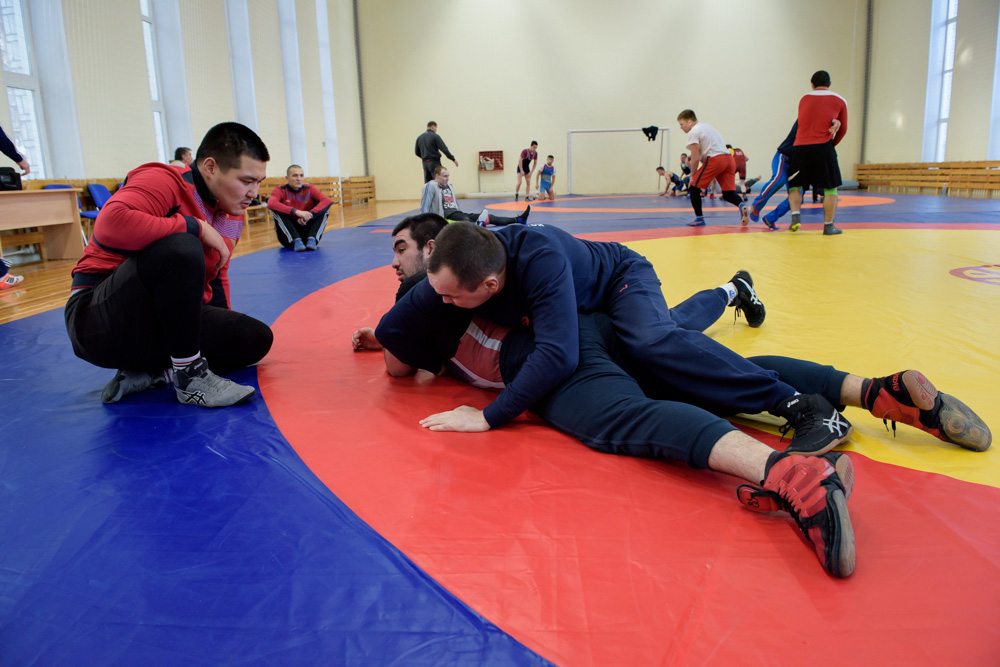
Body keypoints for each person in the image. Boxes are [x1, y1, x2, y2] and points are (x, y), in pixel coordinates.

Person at [374, 221, 861, 458]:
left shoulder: (537, 259)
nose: (444, 305)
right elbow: (394, 330)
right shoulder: (462, 268)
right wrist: (382, 338)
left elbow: (559, 356)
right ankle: (733, 289)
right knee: (674, 332)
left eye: (452, 299)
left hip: (619, 280)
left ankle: (798, 404)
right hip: (582, 306)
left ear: (490, 287)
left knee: (653, 340)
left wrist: (489, 416)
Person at [64, 122, 274, 408]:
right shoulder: (163, 180)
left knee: (254, 337)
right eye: (246, 181)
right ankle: (189, 378)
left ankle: (158, 373)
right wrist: (194, 226)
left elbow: (216, 274)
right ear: (210, 167)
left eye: (259, 182)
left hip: (156, 326)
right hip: (96, 320)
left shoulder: (229, 210)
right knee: (182, 245)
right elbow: (108, 225)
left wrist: (223, 332)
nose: (254, 192)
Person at [749, 119, 841, 231]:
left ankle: (770, 218)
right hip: (784, 157)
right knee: (779, 179)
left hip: (799, 163)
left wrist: (835, 122)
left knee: (797, 198)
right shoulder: (805, 119)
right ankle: (756, 206)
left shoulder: (820, 131)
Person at [786, 70, 848, 235]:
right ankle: (828, 226)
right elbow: (843, 130)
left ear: (812, 84)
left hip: (799, 146)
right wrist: (831, 145)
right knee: (830, 188)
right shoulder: (840, 100)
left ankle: (795, 216)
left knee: (795, 184)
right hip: (823, 145)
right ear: (830, 84)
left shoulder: (803, 99)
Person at [676, 110, 750, 227]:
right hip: (729, 160)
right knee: (728, 194)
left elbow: (695, 159)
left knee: (694, 188)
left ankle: (699, 218)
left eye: (681, 124)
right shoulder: (707, 126)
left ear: (689, 122)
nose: (680, 127)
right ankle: (742, 205)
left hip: (716, 159)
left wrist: (692, 176)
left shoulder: (693, 132)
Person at [421, 166, 529, 226]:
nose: (447, 179)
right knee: (466, 220)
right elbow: (425, 205)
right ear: (437, 176)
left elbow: (455, 204)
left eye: (448, 176)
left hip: (457, 213)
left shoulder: (449, 185)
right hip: (445, 217)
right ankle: (477, 224)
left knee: (489, 217)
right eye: (444, 176)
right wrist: (424, 223)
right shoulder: (431, 185)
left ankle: (518, 220)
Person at [267, 164, 334, 251]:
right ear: (287, 178)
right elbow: (271, 203)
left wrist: (310, 214)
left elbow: (327, 201)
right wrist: (296, 212)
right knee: (277, 211)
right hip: (288, 238)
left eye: (301, 175)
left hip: (307, 232)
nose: (299, 178)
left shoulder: (309, 189)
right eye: (295, 175)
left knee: (323, 210)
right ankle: (296, 240)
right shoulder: (280, 190)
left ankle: (312, 238)